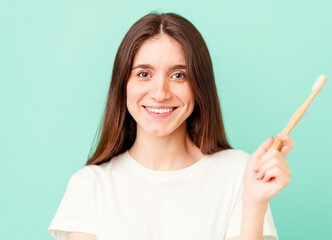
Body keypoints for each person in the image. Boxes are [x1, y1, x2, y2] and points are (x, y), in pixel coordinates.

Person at [48, 12, 294, 240]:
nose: (160, 93)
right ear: (123, 84)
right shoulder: (90, 186)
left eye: (178, 75)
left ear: (199, 86)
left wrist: (253, 205)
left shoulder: (240, 172)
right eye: (144, 74)